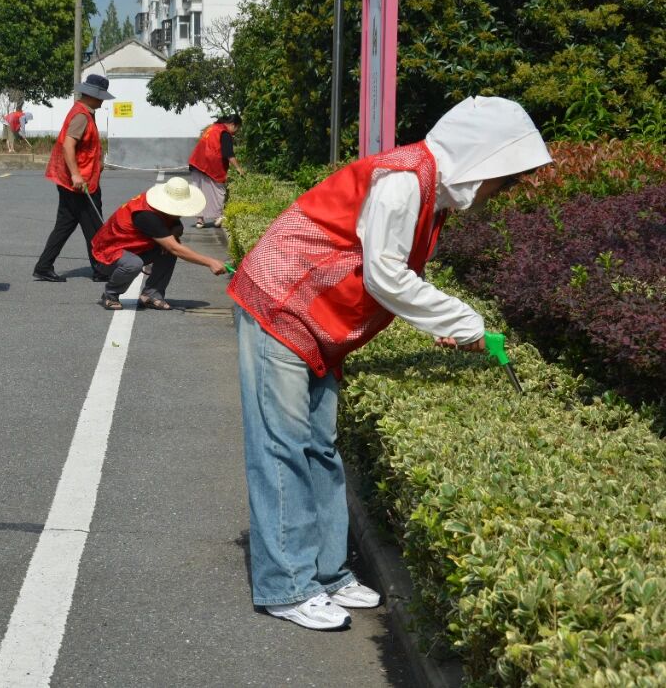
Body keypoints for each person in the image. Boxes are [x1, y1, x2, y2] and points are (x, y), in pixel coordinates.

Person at [228, 96, 552, 631]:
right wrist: (462, 320)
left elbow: (387, 278)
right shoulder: (404, 181)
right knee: (281, 447)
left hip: (317, 321)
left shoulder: (429, 192)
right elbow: (386, 276)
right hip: (281, 305)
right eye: (505, 178)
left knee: (319, 447)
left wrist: (446, 322)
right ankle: (286, 585)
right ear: (482, 159)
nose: (501, 192)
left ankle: (328, 574)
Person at [92, 176, 230, 310]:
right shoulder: (146, 215)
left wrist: (171, 236)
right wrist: (210, 262)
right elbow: (175, 248)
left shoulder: (162, 208)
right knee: (135, 263)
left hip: (133, 248)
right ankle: (110, 294)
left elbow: (178, 228)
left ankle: (151, 295)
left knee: (168, 249)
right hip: (106, 255)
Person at [33, 73, 115, 283]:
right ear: (91, 95)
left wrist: (97, 163)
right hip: (80, 182)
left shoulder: (85, 111)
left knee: (65, 224)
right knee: (95, 225)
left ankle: (43, 266)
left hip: (77, 179)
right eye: (100, 96)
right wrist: (76, 174)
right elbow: (68, 145)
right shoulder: (81, 115)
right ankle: (101, 269)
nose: (102, 100)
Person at [187, 114, 242, 229]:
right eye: (237, 129)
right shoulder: (224, 133)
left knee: (199, 191)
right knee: (218, 191)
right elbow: (229, 154)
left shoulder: (212, 128)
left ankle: (200, 220)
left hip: (197, 162)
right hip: (211, 165)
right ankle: (218, 217)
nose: (236, 132)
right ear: (233, 125)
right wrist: (239, 168)